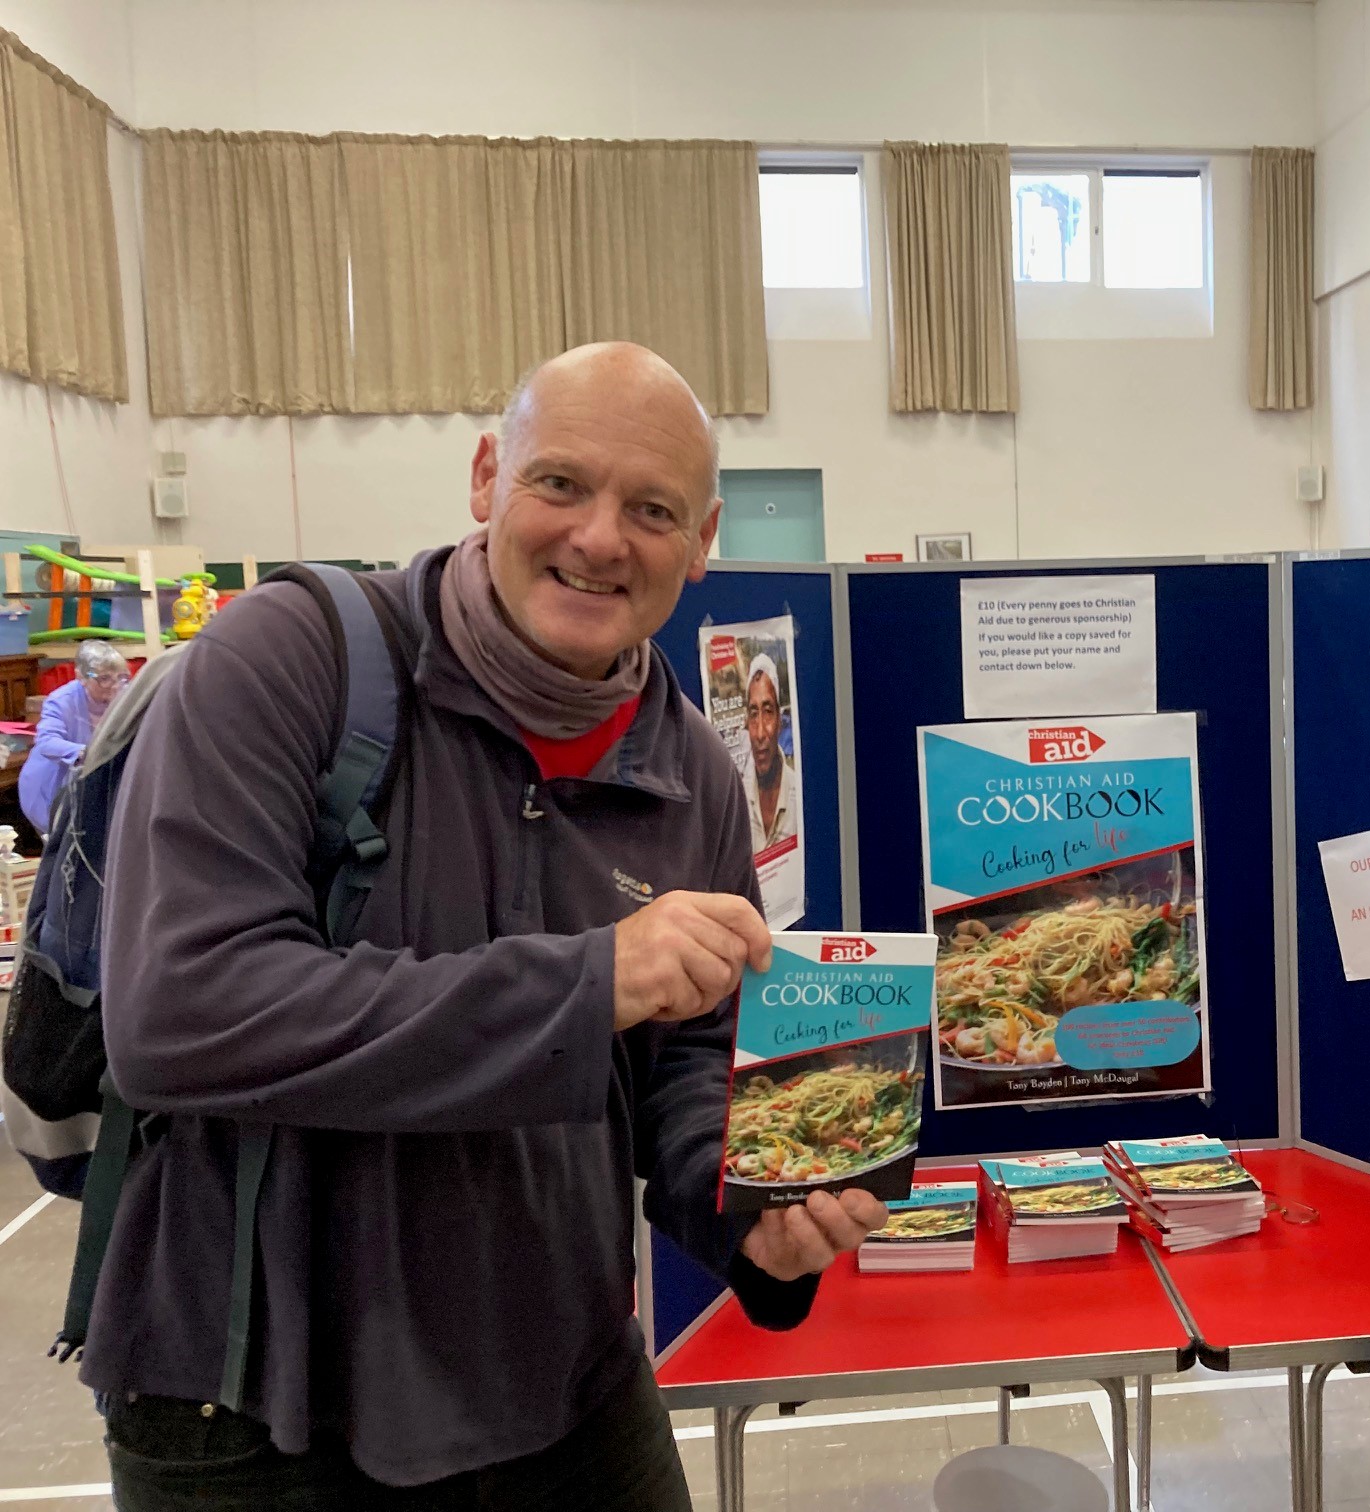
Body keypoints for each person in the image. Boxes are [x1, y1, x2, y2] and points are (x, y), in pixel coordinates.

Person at [87, 343, 883, 1511]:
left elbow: (689, 1066)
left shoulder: (693, 777)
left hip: (559, 1384)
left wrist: (746, 1211)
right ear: (484, 479)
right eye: (560, 483)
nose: (601, 537)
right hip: (259, 1407)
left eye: (652, 508)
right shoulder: (289, 661)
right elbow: (179, 1013)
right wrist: (585, 984)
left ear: (703, 540)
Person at [19, 640, 129, 834]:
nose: (113, 685)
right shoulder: (61, 701)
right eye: (104, 678)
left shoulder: (126, 694)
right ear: (81, 676)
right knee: (64, 848)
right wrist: (84, 752)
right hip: (52, 787)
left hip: (99, 785)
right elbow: (46, 742)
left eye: (121, 677)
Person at [741, 652, 797, 852]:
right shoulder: (737, 798)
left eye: (768, 711)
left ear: (780, 722)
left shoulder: (798, 793)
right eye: (754, 714)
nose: (760, 732)